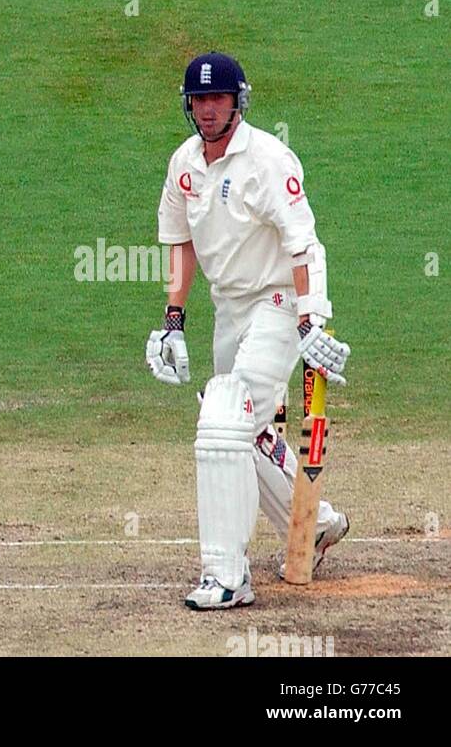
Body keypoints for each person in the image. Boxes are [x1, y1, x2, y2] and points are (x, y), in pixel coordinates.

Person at [148, 52, 351, 609]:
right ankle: (315, 523)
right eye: (200, 100)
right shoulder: (184, 164)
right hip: (230, 303)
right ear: (189, 106)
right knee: (246, 432)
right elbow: (181, 242)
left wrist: (310, 318)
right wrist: (173, 319)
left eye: (218, 99)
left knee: (224, 416)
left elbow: (303, 243)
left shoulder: (267, 159)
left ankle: (228, 576)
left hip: (281, 298)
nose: (209, 109)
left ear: (238, 102)